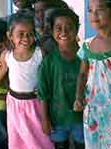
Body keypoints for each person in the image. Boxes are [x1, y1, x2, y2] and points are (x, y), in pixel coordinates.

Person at [0, 10, 54, 149]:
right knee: (18, 141)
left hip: (35, 104)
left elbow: (49, 75)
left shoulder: (40, 54)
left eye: (30, 34)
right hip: (14, 104)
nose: (26, 38)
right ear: (10, 36)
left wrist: (45, 87)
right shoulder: (7, 56)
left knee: (39, 140)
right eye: (21, 34)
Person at [37, 8, 85, 149]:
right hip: (57, 118)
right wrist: (45, 119)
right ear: (51, 31)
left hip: (82, 118)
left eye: (69, 28)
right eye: (58, 28)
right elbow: (43, 93)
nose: (63, 32)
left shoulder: (85, 57)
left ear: (77, 29)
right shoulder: (49, 61)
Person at [73, 0, 111, 149]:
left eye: (99, 10)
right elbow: (82, 74)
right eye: (90, 10)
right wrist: (78, 97)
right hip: (93, 109)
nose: (93, 15)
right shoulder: (87, 46)